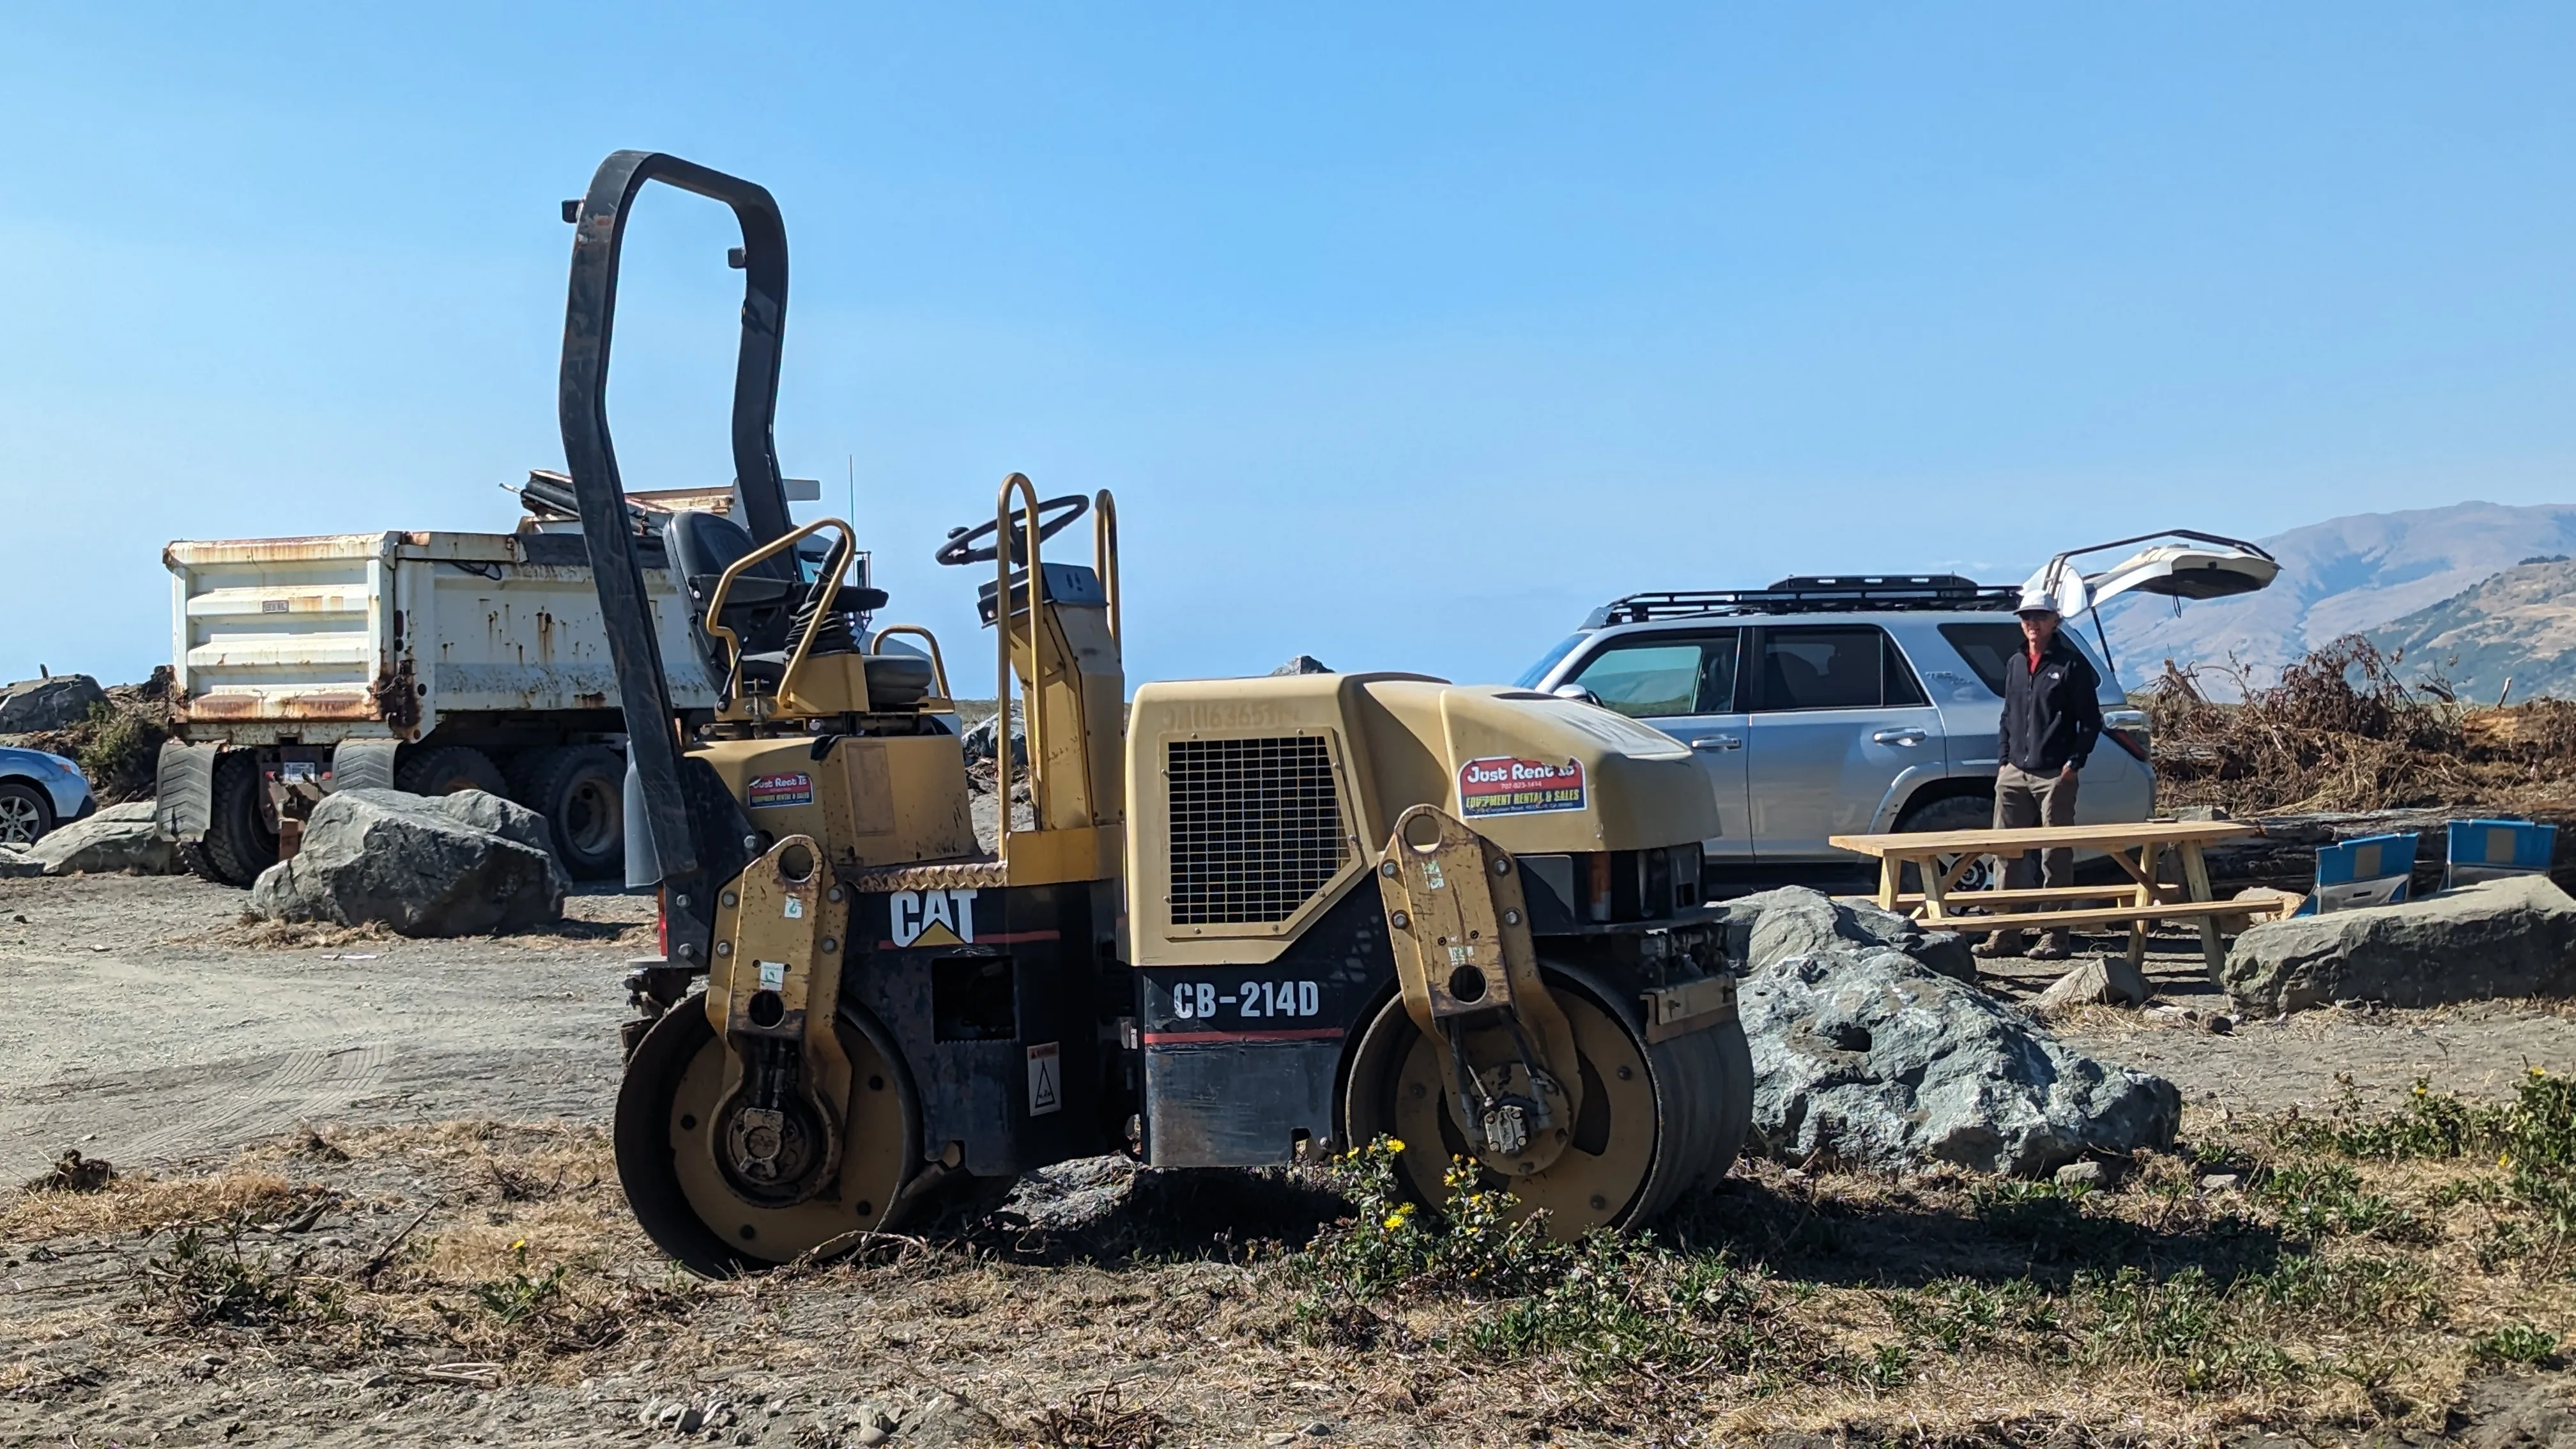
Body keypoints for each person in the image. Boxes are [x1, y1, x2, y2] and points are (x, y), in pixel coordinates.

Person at [1975, 594, 2104, 960]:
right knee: (2006, 853)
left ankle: (2054, 935)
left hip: (2054, 774)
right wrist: (2004, 761)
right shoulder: (2016, 662)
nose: (2032, 622)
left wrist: (2073, 764)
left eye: (2040, 616)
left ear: (2054, 621)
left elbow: (2091, 721)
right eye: (2026, 616)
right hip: (2015, 772)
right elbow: (2008, 715)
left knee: (2055, 855)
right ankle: (2005, 932)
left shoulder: (2071, 664)